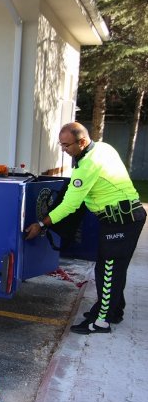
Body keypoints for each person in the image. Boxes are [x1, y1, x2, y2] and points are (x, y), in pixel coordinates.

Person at [25, 122, 146, 335]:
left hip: (121, 220)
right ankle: (114, 310)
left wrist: (42, 223)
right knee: (113, 268)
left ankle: (101, 322)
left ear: (81, 142)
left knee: (108, 270)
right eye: (61, 145)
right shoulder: (103, 147)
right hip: (124, 217)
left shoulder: (88, 165)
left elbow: (70, 205)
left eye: (67, 145)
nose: (64, 150)